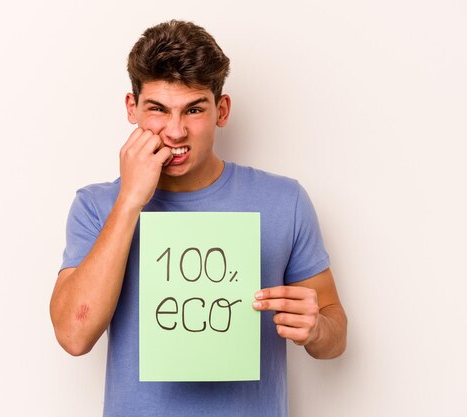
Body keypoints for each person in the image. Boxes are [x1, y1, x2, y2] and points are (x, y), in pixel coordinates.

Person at [50, 19, 347, 417]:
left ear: (221, 110)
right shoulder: (96, 205)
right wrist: (130, 200)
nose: (175, 131)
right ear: (132, 108)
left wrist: (316, 329)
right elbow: (73, 335)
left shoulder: (284, 201)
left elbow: (335, 335)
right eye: (157, 109)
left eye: (193, 110)